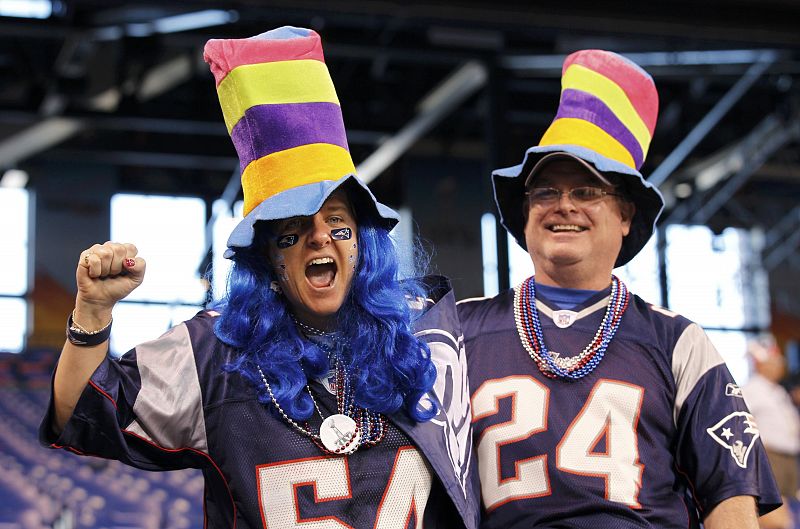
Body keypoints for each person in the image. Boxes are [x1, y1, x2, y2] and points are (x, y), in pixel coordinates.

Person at [40, 26, 479, 528]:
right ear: (267, 259)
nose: (320, 238)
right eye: (292, 229)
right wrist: (92, 312)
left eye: (338, 223)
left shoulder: (428, 337)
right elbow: (83, 417)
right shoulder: (214, 351)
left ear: (364, 241)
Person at [458, 49, 781, 528]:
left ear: (626, 215)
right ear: (525, 213)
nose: (563, 205)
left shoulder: (678, 342)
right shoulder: (458, 331)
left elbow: (730, 499)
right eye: (545, 191)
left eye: (586, 191)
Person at [742, 335, 800, 529]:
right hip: (770, 457)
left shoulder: (778, 391)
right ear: (761, 365)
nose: (780, 366)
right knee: (773, 516)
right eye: (775, 362)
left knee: (790, 512)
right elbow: (740, 424)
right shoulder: (752, 390)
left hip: (788, 458)